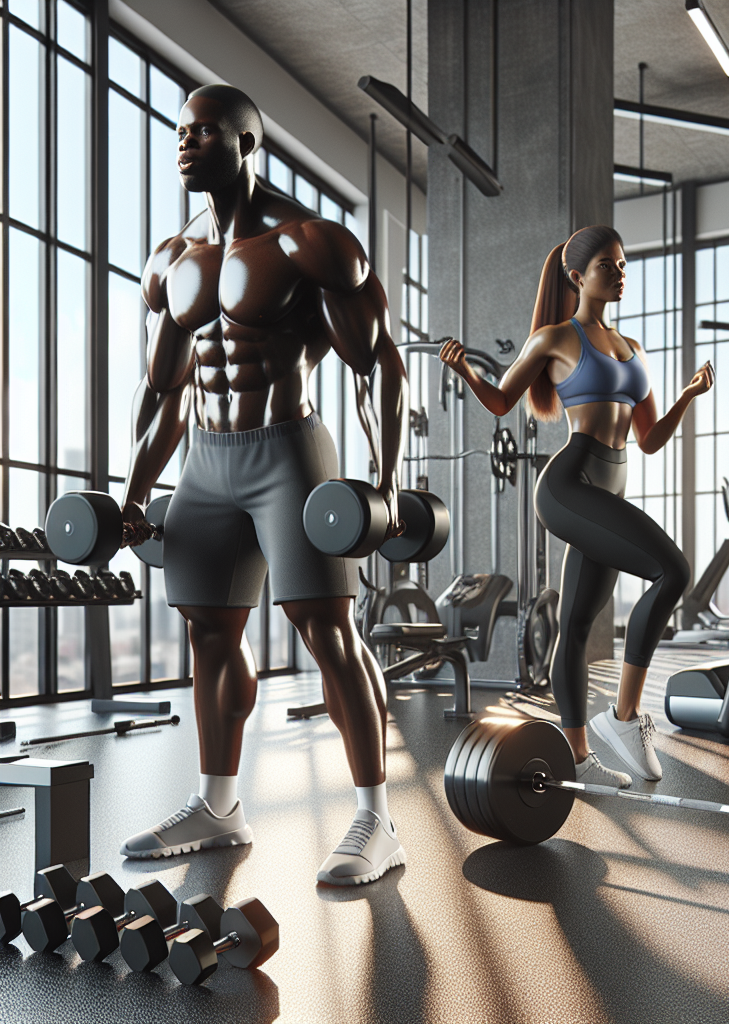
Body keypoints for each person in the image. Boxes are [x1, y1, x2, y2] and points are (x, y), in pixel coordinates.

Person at [116, 84, 409, 886]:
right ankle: (218, 807)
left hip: (289, 452)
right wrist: (135, 494)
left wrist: (381, 483)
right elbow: (165, 394)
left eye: (205, 130)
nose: (186, 142)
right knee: (209, 632)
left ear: (248, 144)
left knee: (326, 632)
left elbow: (377, 363)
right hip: (205, 463)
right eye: (181, 130)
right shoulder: (172, 261)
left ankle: (377, 819)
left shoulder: (310, 242)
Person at [439, 226, 712, 786]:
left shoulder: (634, 349)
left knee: (577, 623)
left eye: (623, 264)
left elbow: (650, 438)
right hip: (570, 484)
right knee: (673, 570)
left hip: (611, 485)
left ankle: (578, 757)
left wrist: (685, 396)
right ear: (576, 277)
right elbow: (500, 401)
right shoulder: (556, 340)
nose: (619, 273)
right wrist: (467, 370)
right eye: (608, 265)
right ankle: (625, 718)